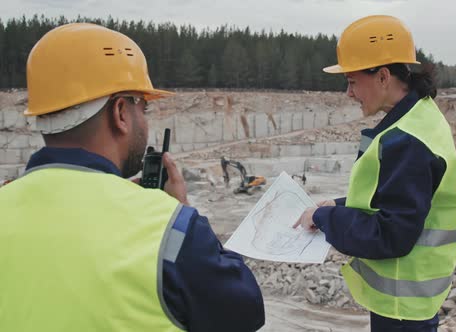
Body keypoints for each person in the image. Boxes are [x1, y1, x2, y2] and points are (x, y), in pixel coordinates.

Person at [0, 23, 264, 332]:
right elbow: (245, 312)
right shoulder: (169, 228)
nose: (145, 120)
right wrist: (181, 212)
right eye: (145, 108)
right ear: (121, 113)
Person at [294, 15, 456, 332]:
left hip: (403, 303)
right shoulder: (419, 116)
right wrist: (339, 205)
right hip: (410, 300)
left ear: (384, 76)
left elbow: (391, 235)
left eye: (353, 81)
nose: (349, 93)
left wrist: (325, 220)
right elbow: (393, 194)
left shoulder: (408, 141)